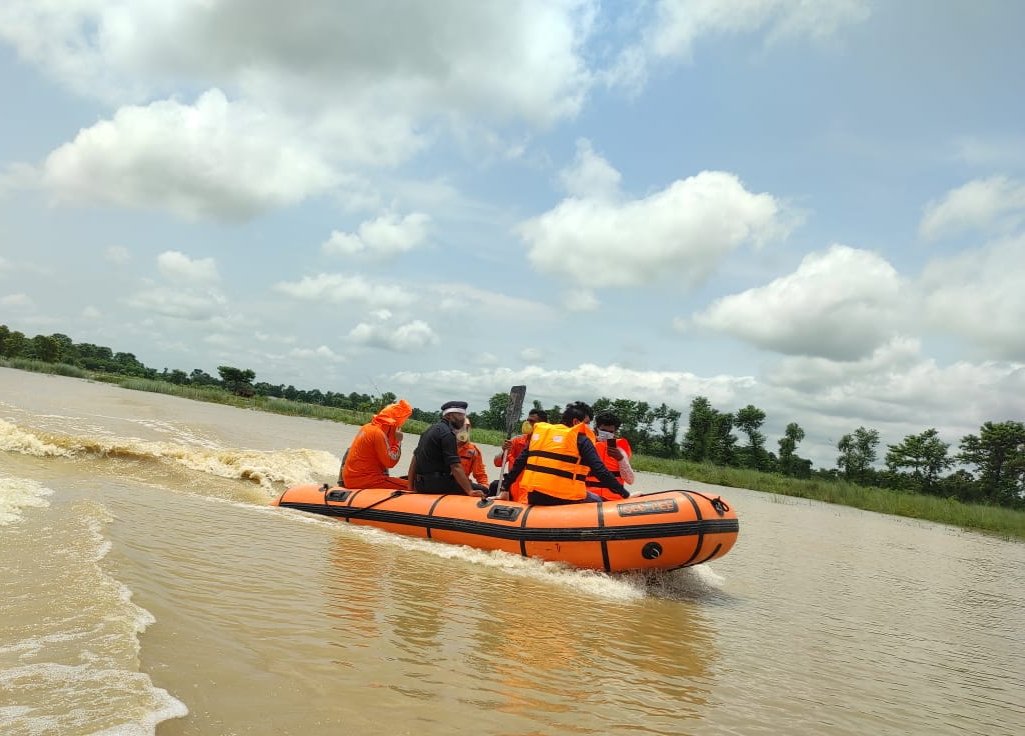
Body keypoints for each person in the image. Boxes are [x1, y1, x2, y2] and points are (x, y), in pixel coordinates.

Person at [500, 401, 628, 505]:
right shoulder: (581, 440)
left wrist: (505, 488)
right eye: (586, 423)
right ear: (576, 422)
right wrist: (624, 494)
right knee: (599, 502)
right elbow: (600, 471)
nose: (588, 428)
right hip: (566, 498)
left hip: (535, 496)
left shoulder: (541, 436)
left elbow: (519, 463)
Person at [407, 401, 484, 497]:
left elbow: (415, 459)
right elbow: (455, 466)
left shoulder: (429, 430)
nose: (463, 419)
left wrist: (410, 487)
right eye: (460, 415)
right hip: (437, 484)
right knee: (484, 490)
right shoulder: (448, 434)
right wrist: (470, 491)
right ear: (449, 415)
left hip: (421, 484)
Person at [339, 399, 412, 490]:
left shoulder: (367, 427)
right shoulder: (378, 434)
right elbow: (390, 462)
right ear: (391, 424)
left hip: (349, 479)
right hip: (366, 480)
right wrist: (398, 441)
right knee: (412, 486)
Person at [491, 408, 547, 502]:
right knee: (494, 485)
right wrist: (504, 451)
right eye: (527, 420)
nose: (527, 424)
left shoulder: (547, 445)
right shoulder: (516, 441)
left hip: (533, 487)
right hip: (513, 483)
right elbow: (497, 463)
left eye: (532, 421)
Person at [586, 410, 635, 500]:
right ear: (596, 429)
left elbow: (630, 480)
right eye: (603, 430)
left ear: (615, 432)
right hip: (589, 497)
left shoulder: (620, 450)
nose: (607, 434)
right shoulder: (587, 446)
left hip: (613, 499)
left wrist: (621, 459)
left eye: (610, 432)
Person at [456, 420, 490, 494]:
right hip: (445, 482)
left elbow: (480, 474)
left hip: (464, 484)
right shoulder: (444, 447)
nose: (462, 431)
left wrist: (485, 487)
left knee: (485, 490)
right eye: (459, 428)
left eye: (465, 429)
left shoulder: (473, 451)